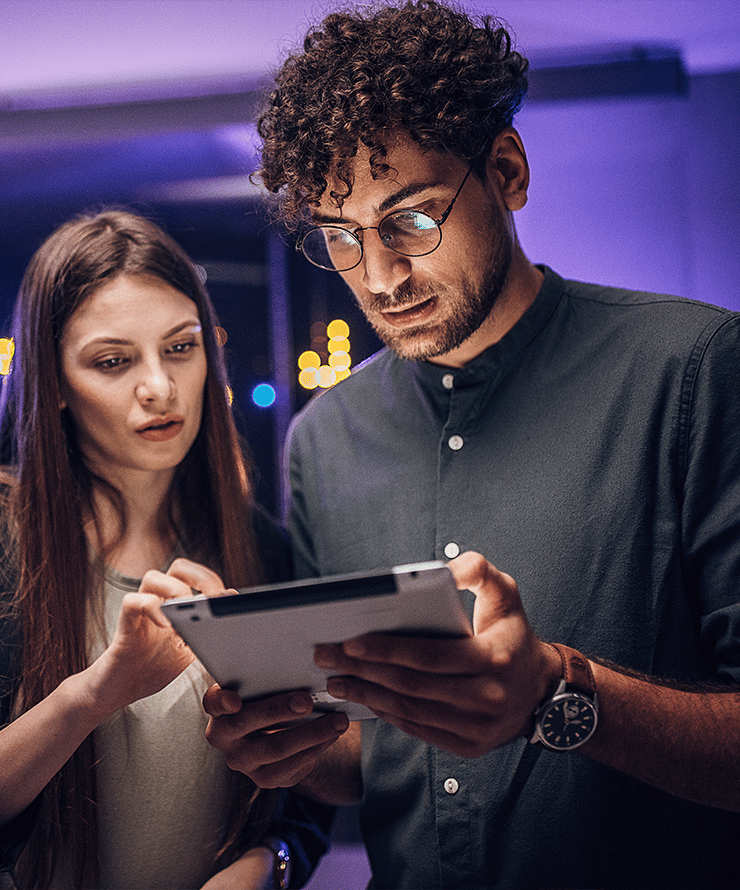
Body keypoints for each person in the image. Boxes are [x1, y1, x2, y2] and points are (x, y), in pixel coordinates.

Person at [200, 3, 740, 889]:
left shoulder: (695, 372)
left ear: (508, 170)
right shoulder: (322, 440)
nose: (378, 278)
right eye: (341, 239)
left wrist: (554, 693)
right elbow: (365, 752)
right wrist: (288, 748)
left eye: (411, 220)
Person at [0, 211, 332, 890]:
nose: (159, 386)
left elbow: (308, 794)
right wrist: (91, 695)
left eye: (180, 347)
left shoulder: (257, 544)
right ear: (53, 382)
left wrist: (267, 867)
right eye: (114, 362)